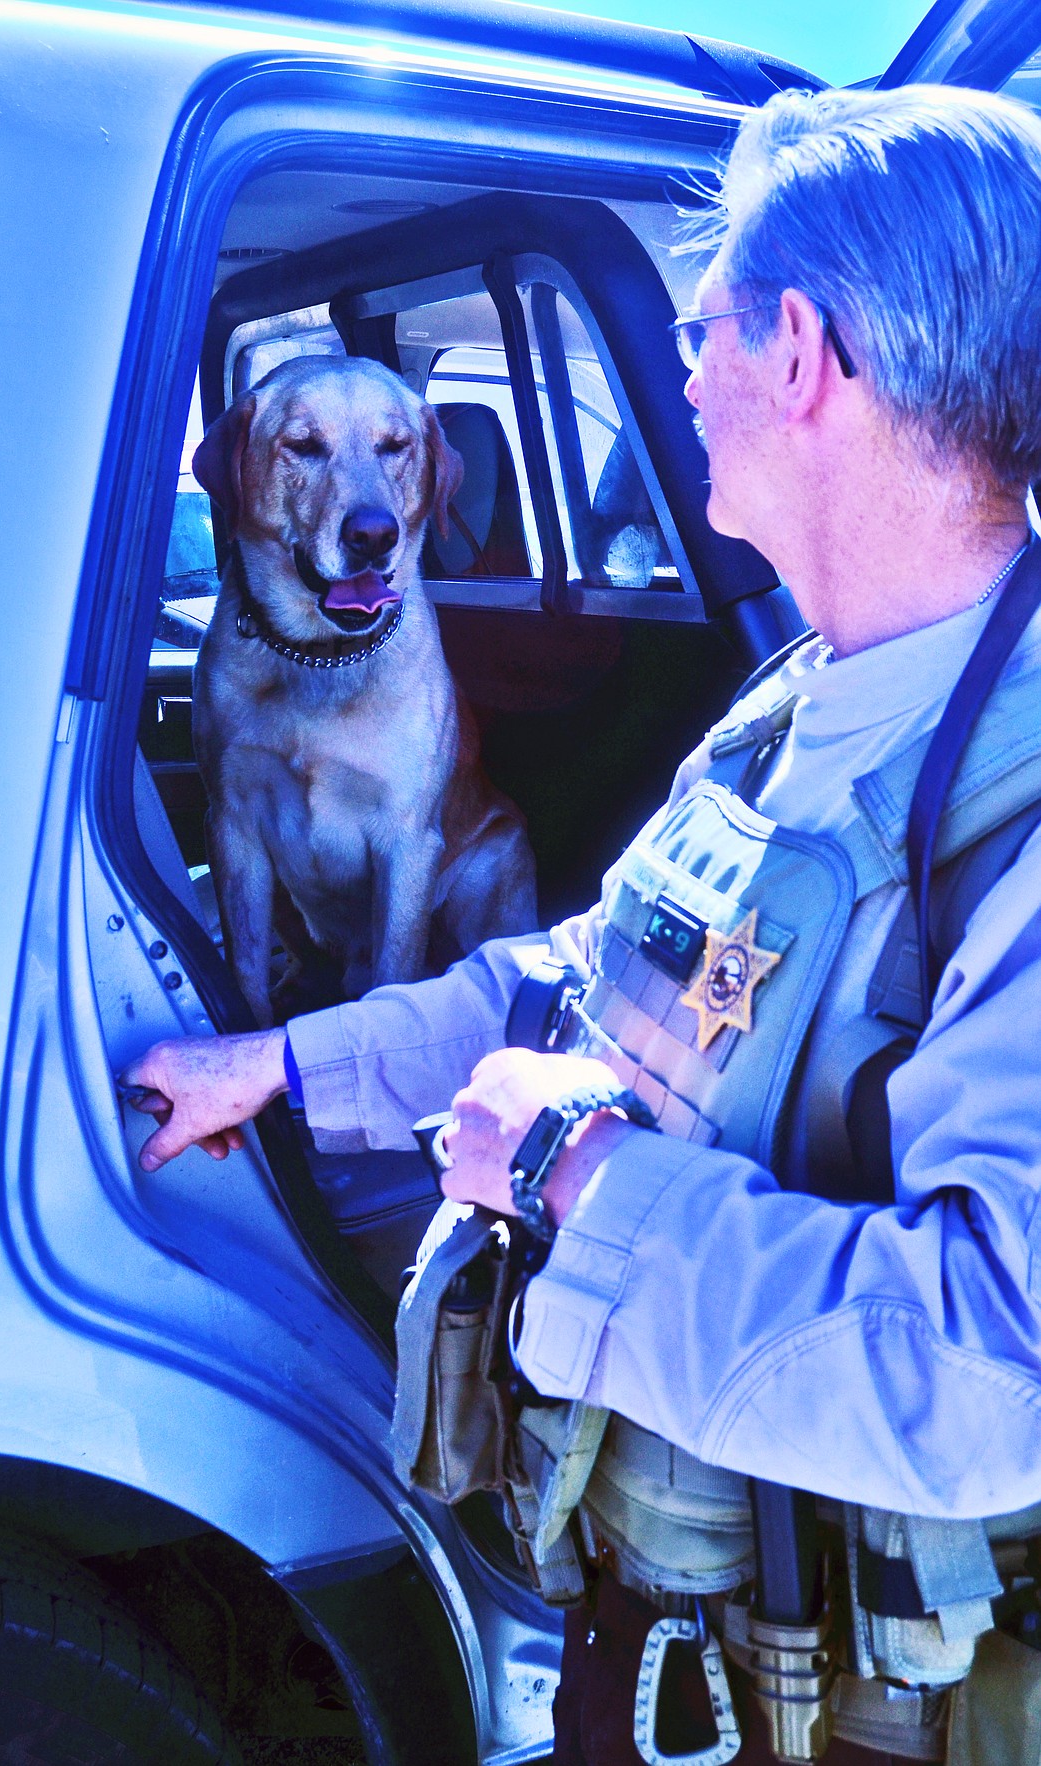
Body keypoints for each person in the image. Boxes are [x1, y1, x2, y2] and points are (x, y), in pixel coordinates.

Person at [124, 85, 1041, 1764]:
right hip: (672, 1624)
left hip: (867, 1710)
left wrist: (573, 1180)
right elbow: (588, 978)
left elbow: (998, 1367)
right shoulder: (794, 707)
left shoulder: (1017, 799)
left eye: (701, 333)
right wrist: (279, 1060)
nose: (680, 379)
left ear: (803, 358)